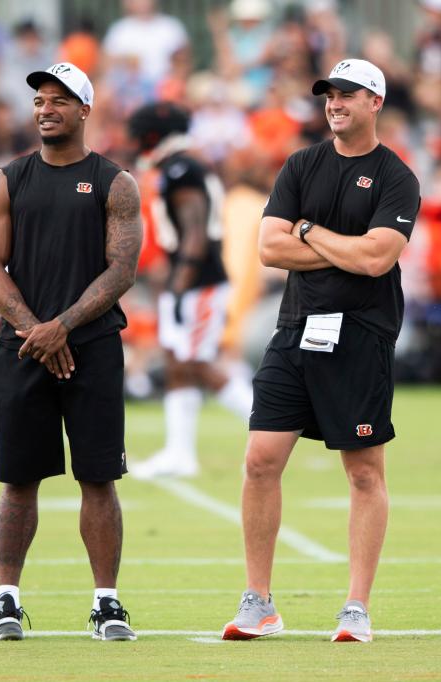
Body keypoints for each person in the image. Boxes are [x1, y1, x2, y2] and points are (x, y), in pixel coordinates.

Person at [221, 59, 420, 643]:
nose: (335, 103)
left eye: (348, 94)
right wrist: (338, 247)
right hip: (295, 328)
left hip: (361, 332)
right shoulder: (301, 163)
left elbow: (377, 259)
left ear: (375, 102)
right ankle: (259, 602)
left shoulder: (395, 176)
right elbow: (268, 249)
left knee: (363, 472)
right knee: (260, 459)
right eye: (330, 94)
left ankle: (356, 607)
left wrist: (308, 231)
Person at [0, 62, 143, 642]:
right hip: (23, 348)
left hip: (91, 347)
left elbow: (121, 270)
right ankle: (5, 601)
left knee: (98, 478)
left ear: (85, 110)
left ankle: (107, 604)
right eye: (40, 100)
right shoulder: (8, 179)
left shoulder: (113, 181)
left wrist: (63, 326)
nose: (46, 109)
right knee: (19, 479)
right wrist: (34, 332)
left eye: (60, 100)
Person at [125, 102, 253, 479]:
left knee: (196, 363)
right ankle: (179, 454)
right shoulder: (178, 165)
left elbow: (195, 233)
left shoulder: (182, 168)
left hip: (198, 282)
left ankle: (273, 425)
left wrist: (180, 286)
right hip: (189, 281)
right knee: (178, 363)